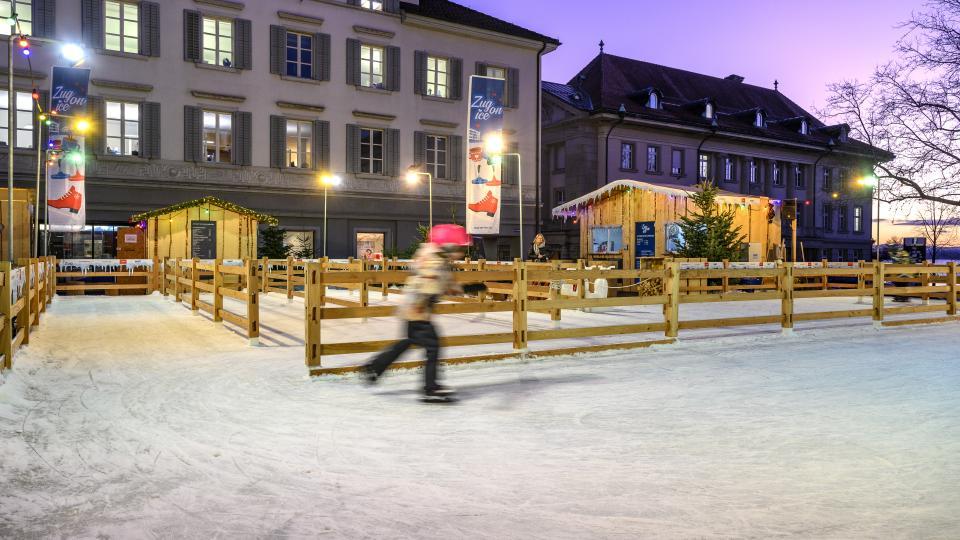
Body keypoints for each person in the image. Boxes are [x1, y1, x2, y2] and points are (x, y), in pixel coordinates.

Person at [361, 224, 482, 401]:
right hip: (417, 308)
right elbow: (429, 282)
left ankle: (374, 367)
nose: (462, 253)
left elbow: (446, 285)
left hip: (415, 307)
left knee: (408, 341)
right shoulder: (433, 260)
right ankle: (430, 388)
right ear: (448, 246)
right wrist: (423, 303)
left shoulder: (440, 260)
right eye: (460, 249)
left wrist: (470, 287)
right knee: (433, 346)